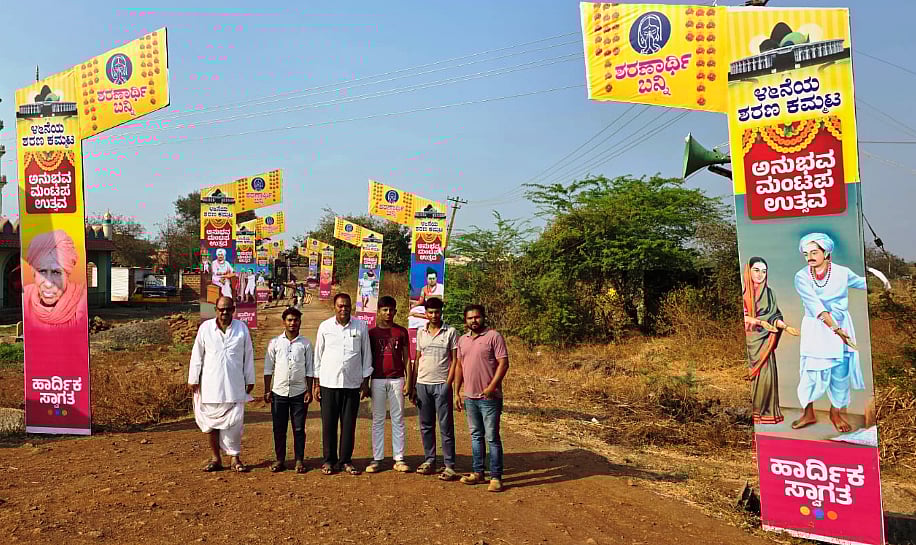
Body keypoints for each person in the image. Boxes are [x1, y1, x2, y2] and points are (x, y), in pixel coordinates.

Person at [792, 233, 867, 433]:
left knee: (840, 373)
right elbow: (816, 307)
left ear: (826, 253)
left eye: (814, 252)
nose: (809, 257)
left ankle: (835, 413)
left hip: (841, 325)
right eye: (806, 253)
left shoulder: (842, 272)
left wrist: (885, 278)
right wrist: (836, 330)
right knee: (810, 373)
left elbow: (864, 283)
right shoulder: (801, 276)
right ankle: (808, 413)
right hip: (817, 328)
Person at [188, 296, 255, 473]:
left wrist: (250, 379)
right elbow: (197, 354)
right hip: (210, 385)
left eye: (228, 309)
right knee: (210, 423)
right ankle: (215, 458)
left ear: (233, 310)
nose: (224, 312)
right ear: (215, 310)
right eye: (221, 309)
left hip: (235, 384)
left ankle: (235, 458)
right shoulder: (205, 328)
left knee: (235, 423)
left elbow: (248, 355)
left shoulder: (241, 328)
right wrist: (193, 378)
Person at [312, 293, 372, 475]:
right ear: (334, 307)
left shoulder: (361, 326)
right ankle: (329, 460)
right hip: (329, 383)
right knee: (329, 425)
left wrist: (365, 382)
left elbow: (366, 355)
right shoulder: (325, 327)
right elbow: (318, 356)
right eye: (340, 306)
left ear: (351, 306)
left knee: (349, 425)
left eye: (346, 306)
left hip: (352, 384)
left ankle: (346, 460)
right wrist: (317, 384)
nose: (343, 309)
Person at [455, 304, 509, 492]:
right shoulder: (462, 340)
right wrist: (457, 392)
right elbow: (459, 366)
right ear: (465, 321)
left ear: (483, 317)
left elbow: (503, 363)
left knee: (492, 437)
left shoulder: (494, 336)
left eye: (477, 317)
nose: (474, 321)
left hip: (489, 398)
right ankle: (478, 473)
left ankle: (495, 477)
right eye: (470, 318)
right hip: (470, 397)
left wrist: (492, 387)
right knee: (476, 435)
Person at [742, 257, 799, 425]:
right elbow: (745, 317)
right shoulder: (744, 292)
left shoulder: (770, 293)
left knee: (767, 377)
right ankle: (753, 412)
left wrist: (786, 327)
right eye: (756, 270)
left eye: (764, 271)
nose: (760, 275)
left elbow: (774, 316)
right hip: (750, 340)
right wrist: (760, 322)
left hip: (765, 343)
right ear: (749, 271)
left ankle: (766, 413)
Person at [411, 296, 459, 480]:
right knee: (426, 425)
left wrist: (448, 384)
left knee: (446, 426)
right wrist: (413, 384)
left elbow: (455, 360)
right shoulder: (420, 332)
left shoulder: (450, 332)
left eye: (437, 312)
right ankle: (429, 460)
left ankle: (449, 465)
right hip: (423, 384)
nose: (433, 316)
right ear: (426, 313)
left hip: (441, 385)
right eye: (430, 312)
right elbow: (417, 359)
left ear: (441, 313)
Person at [264, 306, 314, 474]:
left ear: (300, 322)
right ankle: (280, 459)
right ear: (284, 322)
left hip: (299, 393)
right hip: (279, 392)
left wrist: (309, 390)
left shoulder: (305, 344)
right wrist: (267, 390)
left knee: (299, 428)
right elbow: (268, 368)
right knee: (279, 428)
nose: (293, 323)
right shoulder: (275, 343)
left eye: (296, 320)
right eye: (290, 320)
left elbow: (310, 369)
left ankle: (299, 460)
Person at [366, 296, 411, 473]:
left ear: (395, 311)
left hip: (397, 379)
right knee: (378, 419)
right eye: (384, 310)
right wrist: (365, 383)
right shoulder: (372, 333)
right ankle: (377, 458)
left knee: (398, 418)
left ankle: (399, 458)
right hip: (377, 379)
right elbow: (367, 359)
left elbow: (407, 358)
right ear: (378, 311)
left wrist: (409, 381)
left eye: (391, 310)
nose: (388, 313)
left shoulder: (401, 332)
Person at [23, 230, 88, 329]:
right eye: (42, 271)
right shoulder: (26, 296)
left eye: (56, 272)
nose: (48, 284)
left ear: (67, 274)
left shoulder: (80, 299)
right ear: (34, 273)